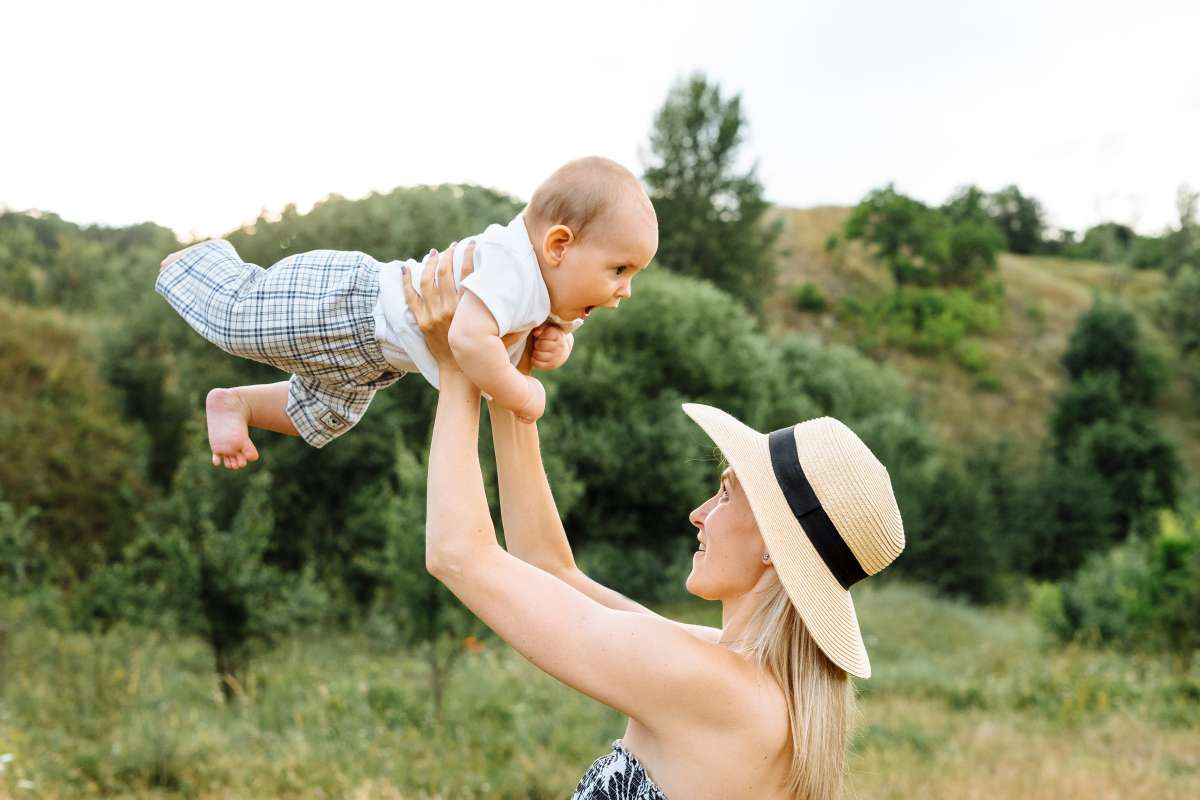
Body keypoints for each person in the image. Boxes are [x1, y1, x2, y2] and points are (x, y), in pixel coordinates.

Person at [410, 245, 907, 799]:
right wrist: (510, 380)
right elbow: (550, 570)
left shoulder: (712, 686)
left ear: (774, 544)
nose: (698, 514)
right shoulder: (742, 679)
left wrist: (457, 365)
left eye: (724, 494)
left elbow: (458, 554)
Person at [154, 156, 658, 468]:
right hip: (352, 306)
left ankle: (235, 403)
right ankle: (193, 263)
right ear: (559, 245)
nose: (625, 291)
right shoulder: (512, 268)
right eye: (619, 270)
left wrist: (557, 345)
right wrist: (521, 391)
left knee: (323, 416)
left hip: (375, 360)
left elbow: (548, 331)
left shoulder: (551, 291)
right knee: (238, 321)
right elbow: (467, 340)